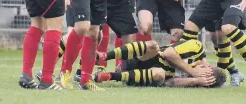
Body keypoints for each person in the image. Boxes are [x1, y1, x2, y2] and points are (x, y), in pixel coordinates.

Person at [94, 39, 225, 88]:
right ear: (208, 66)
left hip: (141, 76)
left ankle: (109, 76)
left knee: (160, 74)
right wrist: (191, 71)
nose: (201, 74)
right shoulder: (197, 47)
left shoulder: (196, 81)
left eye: (205, 78)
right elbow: (168, 53)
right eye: (205, 73)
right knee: (153, 46)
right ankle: (104, 56)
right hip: (142, 58)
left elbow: (170, 83)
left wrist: (195, 80)